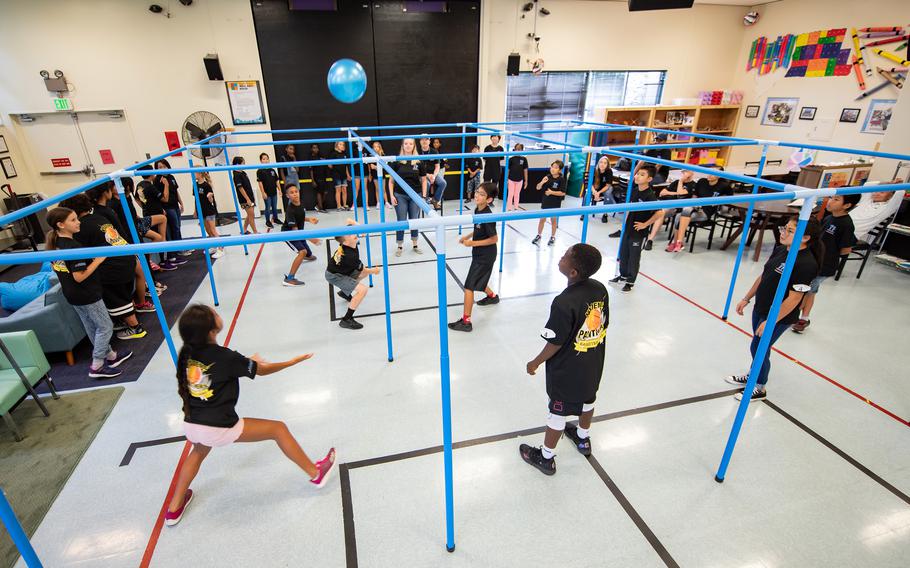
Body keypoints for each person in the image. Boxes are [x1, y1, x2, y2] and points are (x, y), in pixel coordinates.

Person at [164, 304, 336, 526]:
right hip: (219, 427)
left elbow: (219, 368)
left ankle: (174, 508)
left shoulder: (186, 353)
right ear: (211, 330)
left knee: (198, 450)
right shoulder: (227, 357)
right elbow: (261, 370)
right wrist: (292, 361)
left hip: (192, 424)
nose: (218, 314)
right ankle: (316, 473)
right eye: (214, 314)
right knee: (278, 429)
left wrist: (246, 362)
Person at [520, 243, 608, 475]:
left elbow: (556, 342)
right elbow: (601, 323)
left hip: (567, 371)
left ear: (573, 272)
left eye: (565, 256)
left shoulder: (563, 302)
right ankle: (583, 438)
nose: (561, 257)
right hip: (593, 364)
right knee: (589, 400)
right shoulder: (600, 289)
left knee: (557, 411)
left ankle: (546, 457)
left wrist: (535, 362)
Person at [726, 217, 822, 401]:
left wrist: (771, 320)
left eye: (790, 230)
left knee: (760, 346)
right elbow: (764, 275)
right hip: (761, 308)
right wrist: (747, 298)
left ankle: (759, 386)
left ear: (806, 237)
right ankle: (753, 375)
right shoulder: (780, 250)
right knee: (759, 346)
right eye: (784, 228)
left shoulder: (806, 264)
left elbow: (794, 299)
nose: (783, 232)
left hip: (780, 316)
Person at [45, 207, 133, 379]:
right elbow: (79, 276)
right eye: (73, 220)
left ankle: (111, 356)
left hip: (72, 294)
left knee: (92, 327)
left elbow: (60, 269)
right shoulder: (73, 247)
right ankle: (97, 365)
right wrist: (98, 260)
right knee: (105, 326)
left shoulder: (54, 245)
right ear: (61, 225)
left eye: (76, 218)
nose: (78, 222)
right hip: (86, 294)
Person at [62, 194, 147, 340]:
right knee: (122, 294)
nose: (75, 222)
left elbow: (81, 256)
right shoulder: (99, 218)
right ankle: (124, 320)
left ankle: (136, 328)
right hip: (126, 258)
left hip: (114, 265)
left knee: (116, 296)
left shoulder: (81, 228)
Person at [792, 194, 860, 332]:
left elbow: (846, 249)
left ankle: (798, 317)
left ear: (847, 205)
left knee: (807, 290)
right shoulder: (829, 218)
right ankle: (802, 317)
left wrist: (829, 256)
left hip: (824, 266)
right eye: (831, 198)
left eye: (836, 199)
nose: (830, 201)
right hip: (814, 261)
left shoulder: (846, 224)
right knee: (809, 291)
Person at [448, 183, 500, 332]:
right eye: (477, 192)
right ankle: (492, 296)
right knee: (479, 280)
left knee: (469, 286)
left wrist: (472, 243)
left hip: (485, 256)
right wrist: (468, 236)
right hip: (480, 254)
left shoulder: (487, 215)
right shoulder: (478, 209)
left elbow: (494, 238)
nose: (477, 195)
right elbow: (478, 228)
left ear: (489, 199)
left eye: (482, 194)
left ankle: (466, 321)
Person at [325, 219, 382, 330]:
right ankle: (347, 319)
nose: (354, 234)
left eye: (353, 232)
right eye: (350, 234)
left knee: (361, 274)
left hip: (340, 271)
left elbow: (360, 229)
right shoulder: (350, 256)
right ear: (345, 242)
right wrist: (374, 271)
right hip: (334, 276)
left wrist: (354, 223)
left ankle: (345, 293)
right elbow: (363, 270)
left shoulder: (351, 243)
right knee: (363, 290)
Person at [609, 165, 659, 292]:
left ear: (650, 179)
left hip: (639, 233)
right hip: (628, 229)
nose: (637, 176)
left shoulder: (650, 195)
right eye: (638, 174)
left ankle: (630, 282)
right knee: (624, 254)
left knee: (634, 258)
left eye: (642, 174)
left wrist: (645, 224)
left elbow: (660, 213)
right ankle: (623, 276)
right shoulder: (635, 190)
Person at [666, 170, 731, 253]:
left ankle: (676, 243)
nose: (710, 175)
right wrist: (695, 203)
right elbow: (694, 195)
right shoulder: (702, 181)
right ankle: (678, 243)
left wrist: (718, 201)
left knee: (680, 215)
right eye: (710, 172)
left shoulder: (724, 186)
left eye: (714, 174)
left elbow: (729, 198)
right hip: (695, 208)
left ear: (719, 176)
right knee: (683, 213)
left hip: (705, 212)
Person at [388, 138, 427, 257]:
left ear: (414, 146)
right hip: (400, 195)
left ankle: (415, 244)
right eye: (406, 143)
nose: (408, 145)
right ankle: (399, 246)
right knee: (401, 220)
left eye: (410, 144)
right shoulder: (397, 162)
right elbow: (391, 182)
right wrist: (391, 196)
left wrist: (423, 197)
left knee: (414, 220)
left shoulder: (419, 162)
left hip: (416, 195)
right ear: (403, 146)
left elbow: (424, 180)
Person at [281, 184, 321, 287]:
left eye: (296, 191)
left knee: (309, 255)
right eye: (291, 193)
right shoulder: (290, 210)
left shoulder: (301, 204)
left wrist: (309, 219)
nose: (295, 194)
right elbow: (295, 232)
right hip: (289, 234)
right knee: (302, 252)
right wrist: (311, 238)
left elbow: (299, 217)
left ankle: (306, 255)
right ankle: (289, 278)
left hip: (299, 232)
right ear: (287, 196)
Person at [155, 159, 190, 257]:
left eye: (164, 166)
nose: (163, 168)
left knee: (178, 227)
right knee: (175, 227)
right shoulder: (158, 180)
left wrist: (181, 203)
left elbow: (176, 191)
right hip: (167, 207)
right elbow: (159, 196)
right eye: (160, 167)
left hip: (175, 206)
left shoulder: (171, 177)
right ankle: (179, 249)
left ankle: (181, 246)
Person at [532, 160, 566, 247]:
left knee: (553, 220)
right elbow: (537, 187)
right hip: (546, 202)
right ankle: (539, 235)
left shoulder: (561, 179)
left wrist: (551, 192)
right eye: (552, 167)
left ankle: (553, 237)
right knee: (542, 220)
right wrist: (542, 182)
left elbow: (562, 193)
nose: (553, 169)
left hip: (555, 203)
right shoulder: (547, 177)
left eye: (556, 167)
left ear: (559, 170)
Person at [195, 171, 224, 259]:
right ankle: (214, 246)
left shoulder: (206, 185)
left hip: (209, 211)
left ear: (200, 174)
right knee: (207, 230)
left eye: (194, 173)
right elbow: (196, 199)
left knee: (213, 229)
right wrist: (195, 210)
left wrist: (210, 197)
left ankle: (221, 248)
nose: (193, 175)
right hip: (201, 211)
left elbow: (211, 201)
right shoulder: (195, 185)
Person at [231, 156, 258, 235]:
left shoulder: (243, 173)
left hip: (250, 197)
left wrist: (251, 198)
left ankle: (244, 230)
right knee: (251, 215)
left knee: (250, 215)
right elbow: (240, 188)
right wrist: (247, 199)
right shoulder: (236, 175)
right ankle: (255, 232)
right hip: (245, 199)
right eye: (243, 163)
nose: (244, 165)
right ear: (237, 164)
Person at [419, 136, 446, 209]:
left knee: (443, 183)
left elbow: (437, 166)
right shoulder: (417, 152)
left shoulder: (434, 151)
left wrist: (434, 176)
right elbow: (416, 168)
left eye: (426, 139)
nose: (424, 141)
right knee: (426, 184)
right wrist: (427, 175)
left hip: (432, 173)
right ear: (420, 141)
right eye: (422, 139)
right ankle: (426, 200)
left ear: (429, 141)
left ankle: (435, 200)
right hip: (421, 174)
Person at [257, 152, 281, 228]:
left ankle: (276, 219)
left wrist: (280, 190)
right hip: (266, 193)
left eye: (267, 158)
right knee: (267, 207)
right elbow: (260, 183)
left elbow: (277, 181)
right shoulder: (260, 171)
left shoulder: (272, 170)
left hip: (274, 192)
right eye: (264, 159)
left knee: (274, 206)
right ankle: (267, 221)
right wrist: (263, 193)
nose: (266, 160)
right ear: (261, 160)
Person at [586, 156, 613, 222]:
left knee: (608, 193)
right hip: (595, 188)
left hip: (605, 188)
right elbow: (590, 184)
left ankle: (605, 214)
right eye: (601, 162)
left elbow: (608, 185)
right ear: (598, 163)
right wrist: (594, 192)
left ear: (607, 165)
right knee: (587, 193)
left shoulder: (609, 171)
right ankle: (584, 213)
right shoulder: (595, 170)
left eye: (605, 163)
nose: (602, 164)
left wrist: (598, 193)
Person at [328, 140, 352, 211]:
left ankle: (344, 205)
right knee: (338, 190)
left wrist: (348, 175)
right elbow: (329, 165)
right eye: (340, 144)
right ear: (337, 146)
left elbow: (346, 166)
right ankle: (339, 206)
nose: (342, 146)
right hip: (336, 175)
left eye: (343, 144)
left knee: (344, 190)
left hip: (344, 174)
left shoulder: (344, 154)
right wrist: (334, 169)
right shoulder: (333, 154)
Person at [367, 141, 391, 209]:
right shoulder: (371, 155)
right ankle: (378, 203)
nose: (376, 148)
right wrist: (378, 167)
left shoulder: (382, 154)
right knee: (377, 189)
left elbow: (385, 165)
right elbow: (371, 166)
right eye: (374, 146)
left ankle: (386, 202)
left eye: (377, 146)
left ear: (380, 147)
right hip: (375, 175)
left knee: (383, 189)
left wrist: (377, 167)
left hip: (382, 174)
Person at [278, 144, 301, 212]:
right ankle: (290, 211)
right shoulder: (283, 158)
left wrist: (294, 159)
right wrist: (285, 181)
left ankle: (297, 209)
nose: (292, 151)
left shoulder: (294, 158)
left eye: (293, 149)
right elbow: (281, 170)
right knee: (291, 196)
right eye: (290, 149)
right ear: (286, 149)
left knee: (297, 194)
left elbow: (297, 170)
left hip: (295, 178)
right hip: (288, 179)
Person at [506, 143, 528, 211]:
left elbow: (525, 170)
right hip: (511, 179)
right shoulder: (511, 159)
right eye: (516, 149)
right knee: (510, 194)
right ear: (514, 149)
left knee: (517, 194)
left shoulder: (524, 159)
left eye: (519, 149)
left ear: (522, 150)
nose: (518, 150)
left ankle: (516, 207)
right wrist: (506, 179)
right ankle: (509, 207)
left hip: (520, 180)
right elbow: (508, 170)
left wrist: (526, 181)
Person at [307, 144, 328, 213]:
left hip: (324, 177)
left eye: (316, 148)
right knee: (319, 193)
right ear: (311, 149)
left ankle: (319, 206)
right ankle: (321, 208)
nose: (315, 149)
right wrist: (313, 180)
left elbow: (327, 165)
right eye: (314, 148)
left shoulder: (321, 156)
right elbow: (311, 170)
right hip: (316, 178)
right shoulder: (311, 158)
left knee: (325, 192)